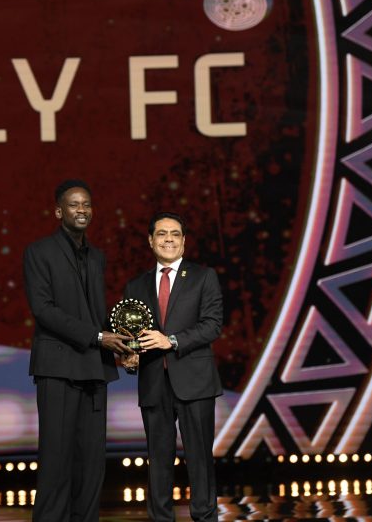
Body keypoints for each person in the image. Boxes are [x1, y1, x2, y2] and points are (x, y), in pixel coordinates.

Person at [22, 179, 135, 521]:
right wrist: (99, 337)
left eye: (86, 204)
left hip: (94, 369)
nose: (81, 209)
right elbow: (44, 310)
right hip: (57, 368)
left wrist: (122, 345)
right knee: (56, 463)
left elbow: (95, 312)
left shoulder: (97, 256)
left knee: (91, 465)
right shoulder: (39, 252)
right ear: (59, 211)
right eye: (73, 204)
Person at [122, 212, 223, 522]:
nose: (168, 239)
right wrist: (129, 354)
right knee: (159, 459)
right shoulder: (135, 286)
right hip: (154, 381)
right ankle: (160, 518)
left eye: (175, 234)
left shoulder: (203, 276)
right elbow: (130, 335)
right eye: (162, 233)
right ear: (151, 241)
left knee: (199, 458)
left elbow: (212, 325)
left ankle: (204, 516)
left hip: (194, 379)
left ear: (184, 241)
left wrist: (172, 341)